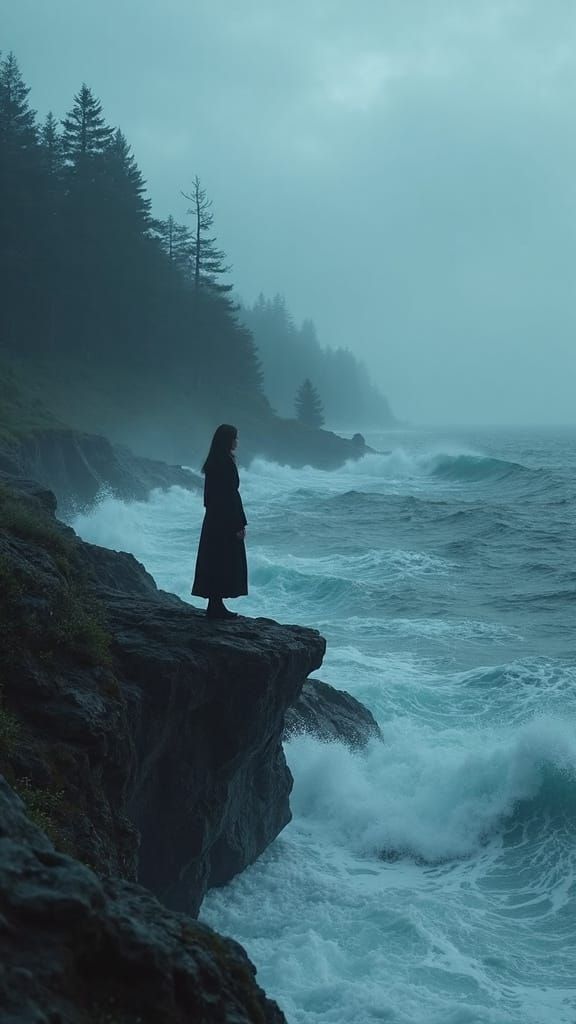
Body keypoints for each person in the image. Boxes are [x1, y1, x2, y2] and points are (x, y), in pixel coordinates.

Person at [191, 423, 247, 619]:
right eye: (235, 438)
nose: (237, 442)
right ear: (227, 440)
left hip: (215, 518)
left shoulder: (215, 461)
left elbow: (209, 498)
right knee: (223, 560)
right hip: (225, 519)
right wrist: (238, 523)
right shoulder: (224, 462)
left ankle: (215, 604)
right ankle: (216, 606)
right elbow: (230, 496)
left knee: (215, 560)